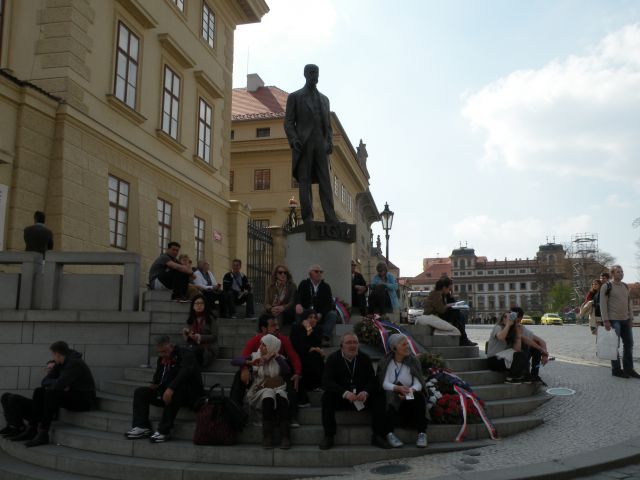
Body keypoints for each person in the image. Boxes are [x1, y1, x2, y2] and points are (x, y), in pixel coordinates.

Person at [11, 341, 96, 447]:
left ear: (57, 354)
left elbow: (58, 385)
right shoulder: (60, 363)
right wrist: (59, 383)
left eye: (53, 354)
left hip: (84, 401)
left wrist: (59, 384)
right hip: (70, 394)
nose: (53, 357)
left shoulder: (75, 363)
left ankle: (43, 433)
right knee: (39, 391)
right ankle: (32, 428)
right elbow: (45, 381)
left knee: (51, 393)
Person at [283, 64, 338, 224]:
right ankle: (308, 217)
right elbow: (288, 122)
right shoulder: (295, 97)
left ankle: (331, 217)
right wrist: (294, 140)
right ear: (305, 74)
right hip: (304, 143)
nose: (315, 75)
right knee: (305, 181)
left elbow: (328, 126)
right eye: (312, 72)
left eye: (317, 73)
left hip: (320, 143)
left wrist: (329, 141)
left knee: (325, 181)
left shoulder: (325, 100)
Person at [125, 336, 204, 443]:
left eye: (165, 351)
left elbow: (184, 374)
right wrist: (155, 383)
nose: (162, 354)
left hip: (188, 394)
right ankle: (142, 427)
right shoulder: (162, 358)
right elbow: (158, 375)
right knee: (140, 392)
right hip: (166, 391)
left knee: (173, 393)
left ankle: (164, 430)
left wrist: (170, 388)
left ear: (172, 347)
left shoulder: (186, 354)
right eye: (159, 352)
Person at [230, 313, 302, 426]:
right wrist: (244, 367)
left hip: (277, 375)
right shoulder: (256, 341)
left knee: (290, 376)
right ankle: (235, 414)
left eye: (277, 324)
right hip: (260, 376)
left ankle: (291, 416)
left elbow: (294, 357)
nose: (277, 328)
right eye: (273, 325)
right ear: (264, 329)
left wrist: (297, 373)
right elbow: (241, 357)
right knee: (238, 376)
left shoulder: (282, 340)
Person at [318, 332, 378, 450]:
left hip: (360, 398)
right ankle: (329, 435)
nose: (352, 346)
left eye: (355, 342)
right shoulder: (333, 359)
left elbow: (373, 380)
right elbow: (326, 381)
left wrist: (365, 392)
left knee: (379, 395)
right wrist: (344, 393)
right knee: (327, 397)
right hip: (341, 398)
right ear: (341, 345)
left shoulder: (364, 358)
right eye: (348, 343)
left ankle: (378, 435)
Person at [236, 334, 292, 449]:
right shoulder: (256, 356)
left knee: (281, 394)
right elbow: (235, 360)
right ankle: (267, 436)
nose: (260, 347)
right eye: (261, 344)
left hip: (278, 388)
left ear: (271, 346)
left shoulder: (279, 358)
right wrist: (248, 364)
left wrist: (276, 356)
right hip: (259, 389)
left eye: (264, 345)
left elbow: (287, 371)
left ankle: (285, 436)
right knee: (268, 393)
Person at [374, 334, 428, 448]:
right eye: (403, 344)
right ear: (394, 348)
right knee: (388, 396)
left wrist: (410, 391)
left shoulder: (413, 361)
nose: (407, 346)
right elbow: (384, 383)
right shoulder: (386, 362)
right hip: (394, 397)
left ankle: (422, 433)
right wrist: (397, 388)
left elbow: (418, 383)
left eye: (407, 344)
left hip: (408, 396)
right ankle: (389, 433)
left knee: (419, 398)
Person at [1, 361, 57, 439]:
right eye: (48, 368)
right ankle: (12, 425)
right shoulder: (47, 379)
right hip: (37, 408)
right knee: (5, 396)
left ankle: (20, 427)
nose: (50, 370)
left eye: (52, 368)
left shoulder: (59, 379)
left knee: (14, 398)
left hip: (44, 412)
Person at [601, 265, 639, 379]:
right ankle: (616, 369)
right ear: (612, 274)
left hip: (626, 320)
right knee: (614, 345)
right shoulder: (606, 286)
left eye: (622, 272)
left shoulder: (625, 286)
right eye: (618, 272)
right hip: (613, 320)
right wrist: (606, 320)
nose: (621, 273)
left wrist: (631, 318)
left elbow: (629, 303)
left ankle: (629, 369)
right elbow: (603, 304)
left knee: (629, 344)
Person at [423, 276, 477, 347]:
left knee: (461, 316)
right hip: (433, 314)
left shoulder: (443, 294)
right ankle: (463, 339)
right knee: (456, 313)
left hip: (439, 314)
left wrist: (450, 295)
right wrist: (449, 305)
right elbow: (441, 309)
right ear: (444, 288)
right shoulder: (436, 294)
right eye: (449, 289)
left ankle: (463, 339)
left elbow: (451, 302)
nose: (450, 290)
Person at [295, 264, 338, 345]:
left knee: (333, 314)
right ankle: (309, 334)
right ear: (310, 273)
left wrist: (321, 313)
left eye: (321, 272)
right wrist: (298, 304)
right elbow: (298, 297)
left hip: (320, 314)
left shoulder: (325, 286)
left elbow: (329, 304)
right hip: (306, 313)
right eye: (316, 271)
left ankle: (324, 337)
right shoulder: (304, 284)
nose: (319, 273)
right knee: (299, 310)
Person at [290, 309, 325, 407]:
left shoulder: (318, 329)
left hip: (312, 357)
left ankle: (314, 384)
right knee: (312, 355)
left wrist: (309, 329)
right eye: (310, 317)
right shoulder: (296, 328)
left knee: (315, 356)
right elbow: (297, 345)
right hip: (299, 355)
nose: (313, 320)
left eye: (315, 318)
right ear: (304, 319)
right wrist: (312, 348)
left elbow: (317, 342)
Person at [486, 312, 532, 383]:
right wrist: (508, 324)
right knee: (520, 354)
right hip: (494, 360)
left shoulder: (512, 332)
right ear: (502, 319)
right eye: (505, 317)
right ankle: (511, 377)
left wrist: (518, 336)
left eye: (510, 317)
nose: (507, 319)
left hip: (505, 359)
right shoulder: (498, 327)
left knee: (524, 350)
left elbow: (517, 349)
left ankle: (524, 375)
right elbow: (501, 337)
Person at [510, 307, 550, 384]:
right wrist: (542, 350)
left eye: (516, 316)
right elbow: (525, 340)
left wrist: (545, 355)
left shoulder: (522, 328)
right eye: (511, 315)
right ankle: (525, 374)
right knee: (530, 346)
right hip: (512, 356)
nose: (513, 319)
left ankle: (535, 374)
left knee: (536, 349)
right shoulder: (508, 326)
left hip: (520, 355)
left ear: (520, 318)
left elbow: (541, 341)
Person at [182, 294, 218, 368]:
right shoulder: (191, 320)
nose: (199, 305)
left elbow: (214, 336)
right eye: (197, 303)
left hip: (207, 348)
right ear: (193, 306)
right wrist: (187, 333)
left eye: (201, 303)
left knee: (191, 352)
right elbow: (189, 337)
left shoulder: (210, 318)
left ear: (205, 305)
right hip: (193, 346)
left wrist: (200, 337)